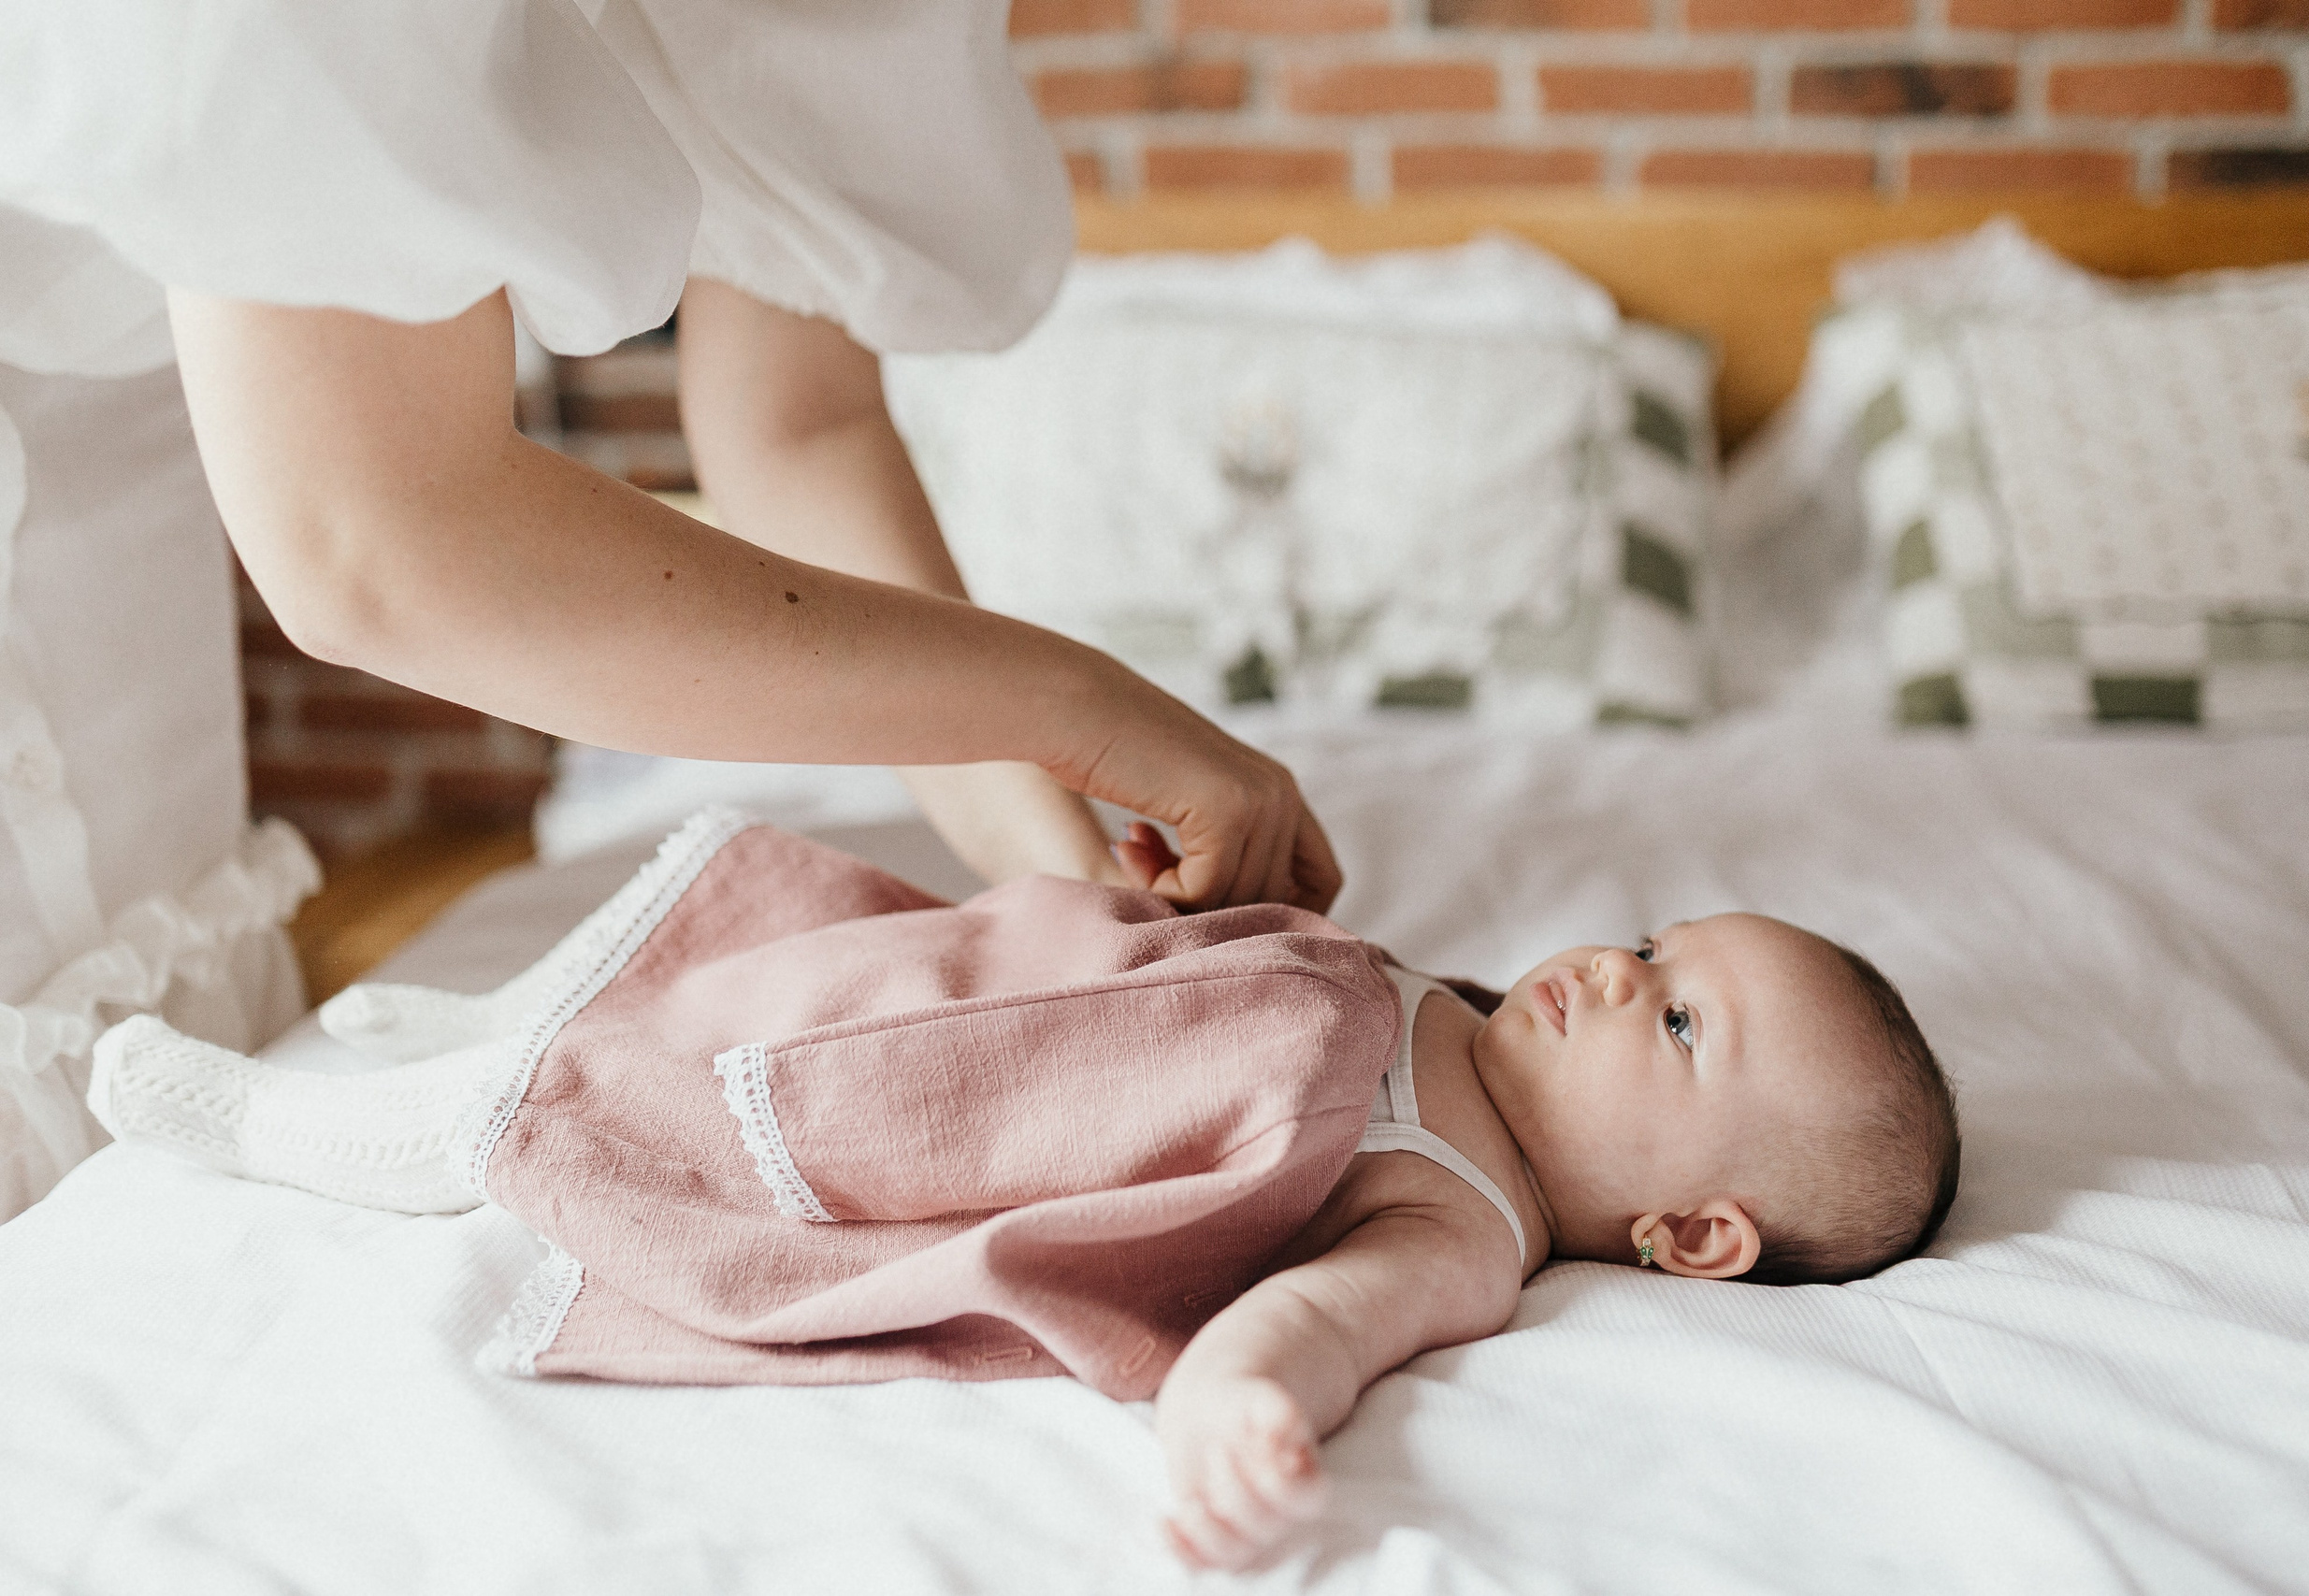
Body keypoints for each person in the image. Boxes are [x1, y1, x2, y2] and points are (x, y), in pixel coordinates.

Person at [0, 4, 1339, 1217]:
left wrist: (1047, 862)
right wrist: (1076, 704)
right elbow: (372, 546)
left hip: (123, 574)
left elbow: (796, 425)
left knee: (137, 1099)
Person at [89, 815, 1962, 1574]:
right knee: (758, 895)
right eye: (1653, 942)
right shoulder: (1468, 1011)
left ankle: (418, 1129)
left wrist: (1240, 1402)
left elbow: (1319, 1314)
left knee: (734, 1067)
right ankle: (524, 1014)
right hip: (969, 963)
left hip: (926, 1098)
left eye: (1683, 1017)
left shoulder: (1462, 1215)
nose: (1620, 971)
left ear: (1691, 1232)